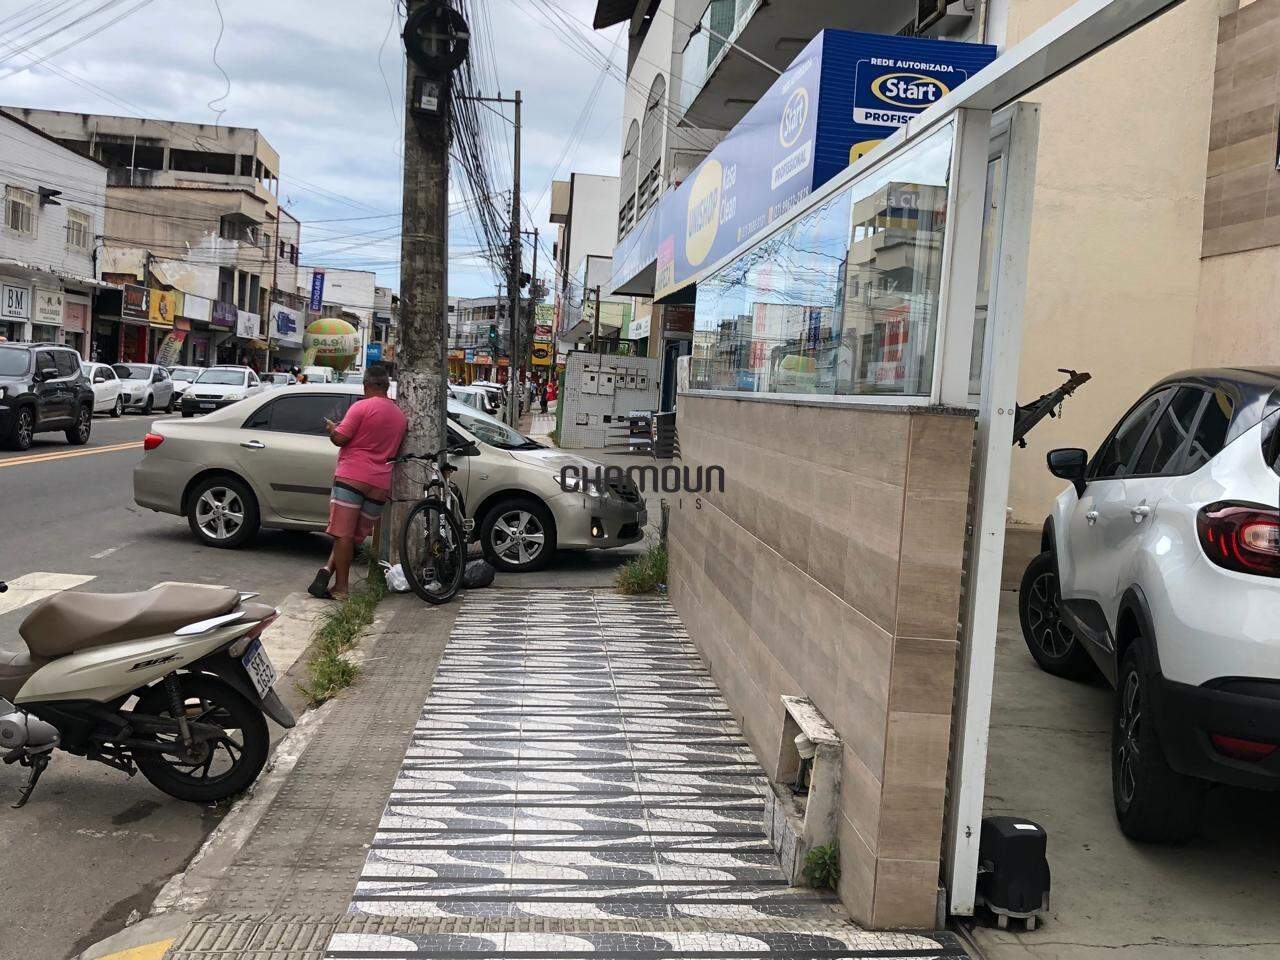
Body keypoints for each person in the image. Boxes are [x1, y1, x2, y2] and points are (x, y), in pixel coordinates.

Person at [308, 363, 407, 601]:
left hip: (352, 476)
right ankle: (327, 571)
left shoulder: (360, 407)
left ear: (366, 385)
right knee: (352, 537)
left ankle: (341, 588)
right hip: (380, 482)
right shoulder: (399, 416)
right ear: (386, 386)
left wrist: (333, 429)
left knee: (343, 534)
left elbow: (341, 439)